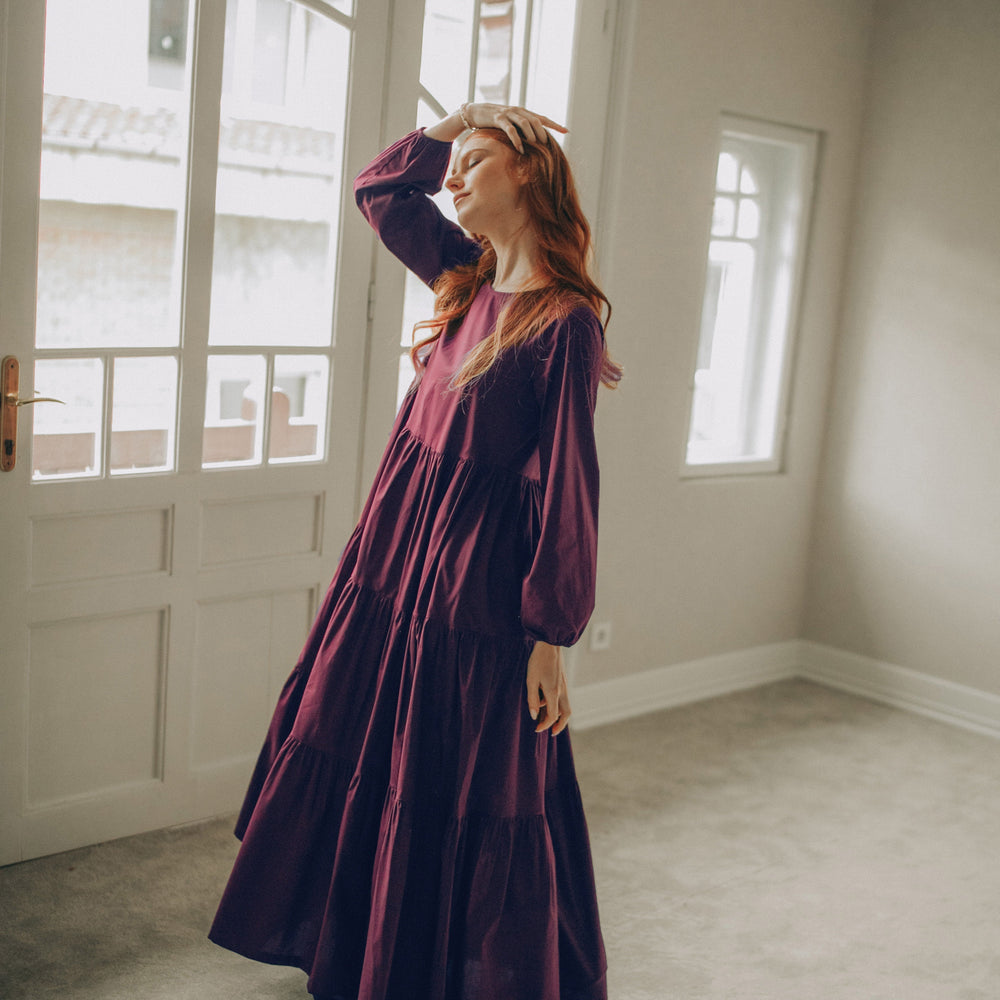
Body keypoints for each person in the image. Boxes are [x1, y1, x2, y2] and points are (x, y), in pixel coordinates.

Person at [209, 101, 621, 1000]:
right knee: (361, 739)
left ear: (530, 177)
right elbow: (380, 189)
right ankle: (357, 944)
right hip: (394, 560)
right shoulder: (466, 277)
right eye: (455, 163)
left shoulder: (565, 322)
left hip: (471, 589)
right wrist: (456, 124)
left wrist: (551, 633)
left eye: (476, 162)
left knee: (457, 772)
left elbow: (568, 491)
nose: (454, 178)